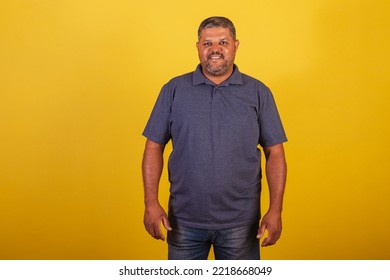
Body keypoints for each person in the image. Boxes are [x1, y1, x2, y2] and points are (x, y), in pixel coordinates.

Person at [142, 16, 287, 260]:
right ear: (198, 47)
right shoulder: (174, 89)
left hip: (241, 222)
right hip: (183, 220)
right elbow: (153, 146)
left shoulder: (258, 92)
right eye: (208, 43)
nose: (215, 50)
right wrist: (150, 203)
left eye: (223, 42)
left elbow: (276, 153)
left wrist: (275, 210)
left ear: (236, 45)